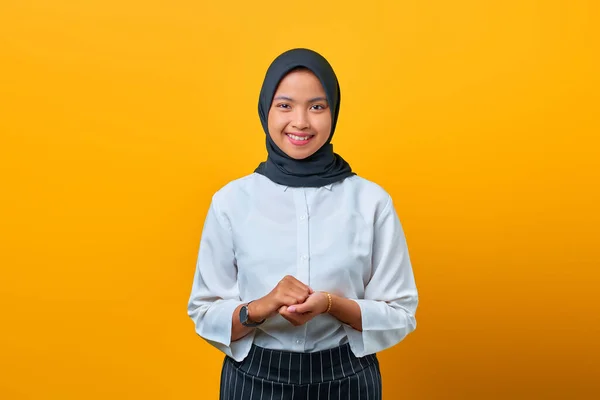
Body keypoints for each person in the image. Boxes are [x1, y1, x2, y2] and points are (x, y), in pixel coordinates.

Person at [187, 48, 418, 400]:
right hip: (253, 380)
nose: (300, 122)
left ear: (333, 111)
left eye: (316, 106)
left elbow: (401, 313)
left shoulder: (371, 201)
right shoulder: (231, 201)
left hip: (347, 379)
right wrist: (260, 307)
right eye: (284, 105)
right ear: (266, 109)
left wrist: (331, 304)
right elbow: (204, 312)